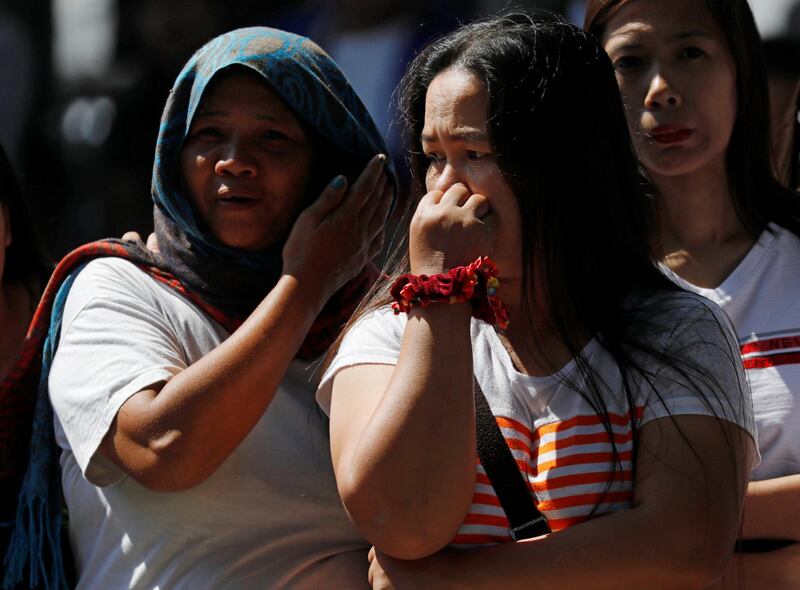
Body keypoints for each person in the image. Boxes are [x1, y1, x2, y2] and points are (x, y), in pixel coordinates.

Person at [318, 13, 756, 590]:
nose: (448, 189)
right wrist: (441, 298)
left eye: (475, 153)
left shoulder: (681, 330)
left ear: (565, 160)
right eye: (432, 157)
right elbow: (402, 523)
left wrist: (454, 582)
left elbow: (686, 545)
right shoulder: (389, 338)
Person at [1, 26, 394, 589]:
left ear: (328, 166)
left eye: (273, 139)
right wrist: (305, 284)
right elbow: (164, 449)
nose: (235, 162)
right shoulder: (118, 290)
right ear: (173, 152)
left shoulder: (379, 321)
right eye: (209, 134)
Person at [584, 1, 800, 586]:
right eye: (629, 62)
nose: (660, 89)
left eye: (690, 53)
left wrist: (671, 525)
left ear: (742, 71)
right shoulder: (571, 290)